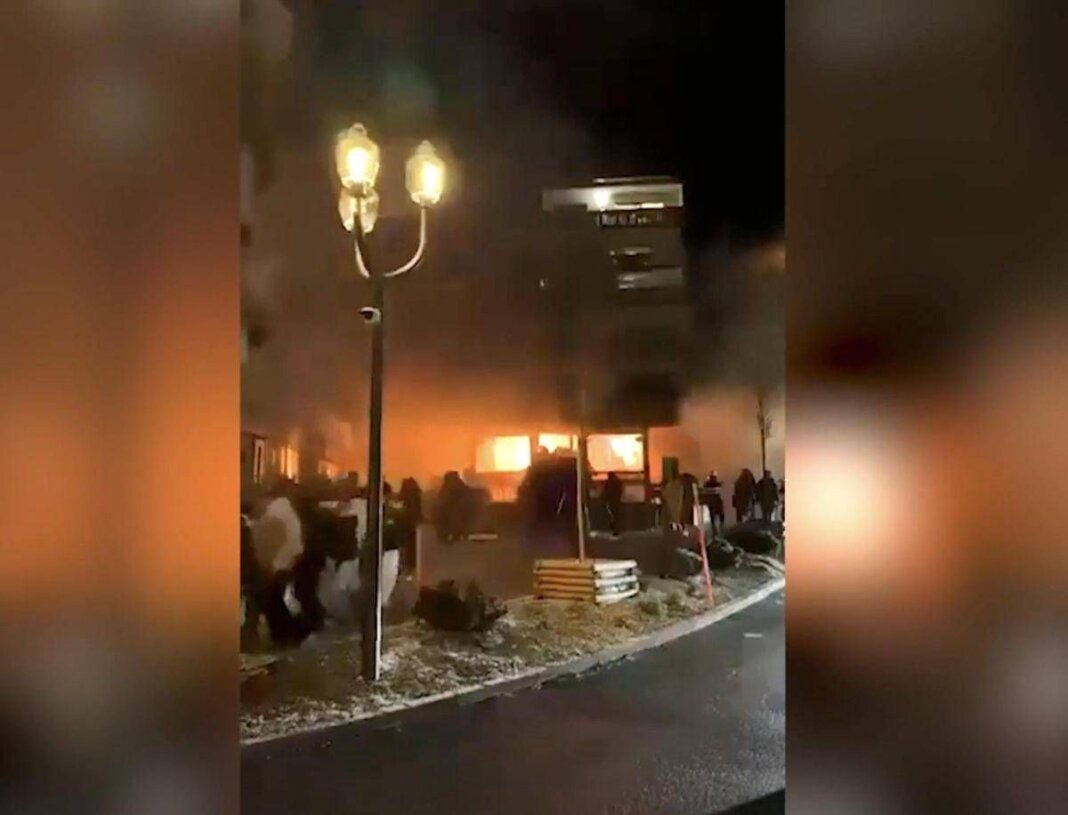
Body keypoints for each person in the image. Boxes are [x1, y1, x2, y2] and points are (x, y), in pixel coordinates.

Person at [603, 472, 624, 536]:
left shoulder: (608, 482)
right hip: (616, 501)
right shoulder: (618, 482)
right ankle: (616, 529)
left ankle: (614, 528)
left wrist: (605, 500)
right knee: (616, 516)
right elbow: (620, 490)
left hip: (611, 501)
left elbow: (606, 492)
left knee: (612, 515)